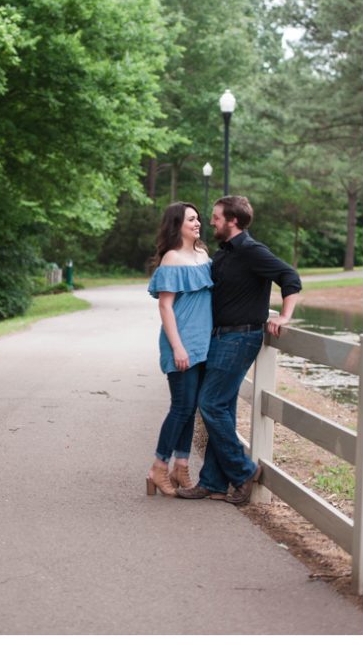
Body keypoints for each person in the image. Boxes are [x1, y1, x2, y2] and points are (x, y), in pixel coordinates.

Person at [176, 195, 301, 504]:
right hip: (217, 338)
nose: (211, 222)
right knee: (223, 408)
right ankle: (214, 483)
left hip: (239, 338)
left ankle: (244, 470)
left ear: (232, 221)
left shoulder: (251, 251)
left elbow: (290, 277)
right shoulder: (223, 254)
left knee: (210, 404)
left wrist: (284, 316)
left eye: (216, 217)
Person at [144, 202, 214, 497]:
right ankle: (158, 468)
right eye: (190, 220)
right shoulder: (171, 259)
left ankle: (181, 467)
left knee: (191, 408)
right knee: (181, 407)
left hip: (203, 342)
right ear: (177, 225)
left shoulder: (203, 254)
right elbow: (165, 306)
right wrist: (178, 347)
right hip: (181, 343)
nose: (197, 223)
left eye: (198, 219)